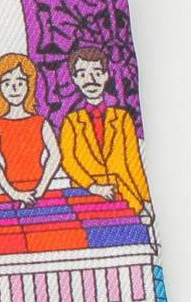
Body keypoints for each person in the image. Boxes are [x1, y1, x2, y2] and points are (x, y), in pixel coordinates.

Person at [58, 45, 151, 219]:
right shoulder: (71, 122)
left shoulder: (122, 118)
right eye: (83, 74)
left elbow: (134, 161)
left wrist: (145, 199)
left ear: (106, 75)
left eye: (97, 73)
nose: (90, 80)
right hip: (86, 198)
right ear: (75, 79)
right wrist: (93, 186)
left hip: (126, 194)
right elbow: (68, 161)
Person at [0, 52, 62, 203]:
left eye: (20, 83)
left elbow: (55, 155)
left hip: (40, 188)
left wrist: (41, 188)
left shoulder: (41, 122)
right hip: (10, 190)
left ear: (29, 85)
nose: (14, 89)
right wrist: (12, 193)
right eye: (7, 83)